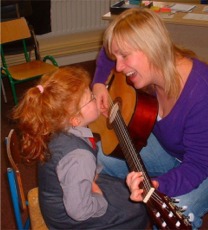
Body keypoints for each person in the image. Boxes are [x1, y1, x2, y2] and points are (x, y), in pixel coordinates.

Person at [91, 8, 208, 230]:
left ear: (151, 47)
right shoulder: (154, 69)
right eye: (117, 58)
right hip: (171, 150)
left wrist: (156, 185)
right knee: (100, 155)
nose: (118, 67)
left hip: (203, 166)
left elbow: (198, 165)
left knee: (173, 210)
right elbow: (107, 55)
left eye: (124, 56)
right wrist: (98, 84)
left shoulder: (201, 92)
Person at [12, 66, 148, 229]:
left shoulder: (53, 127)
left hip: (59, 197)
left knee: (121, 189)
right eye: (91, 97)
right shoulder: (78, 157)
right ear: (75, 120)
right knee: (137, 211)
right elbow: (79, 211)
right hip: (70, 219)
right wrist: (98, 196)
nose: (95, 95)